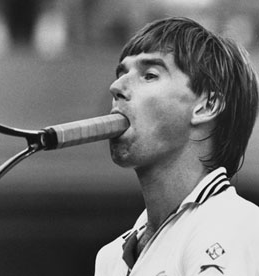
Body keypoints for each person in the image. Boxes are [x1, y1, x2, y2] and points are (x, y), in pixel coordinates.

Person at [95, 17, 259, 275]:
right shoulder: (110, 258)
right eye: (121, 73)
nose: (116, 87)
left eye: (149, 75)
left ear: (207, 106)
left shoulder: (232, 226)